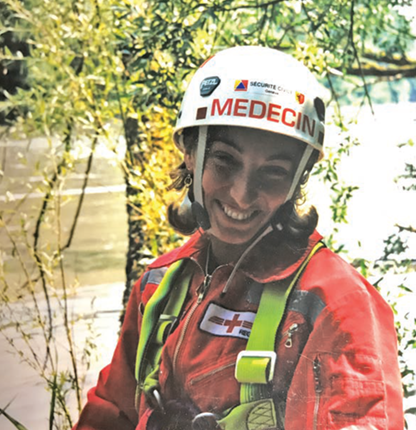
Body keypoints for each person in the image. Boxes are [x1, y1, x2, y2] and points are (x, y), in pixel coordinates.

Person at [73, 46, 403, 430]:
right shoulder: (159, 285)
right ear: (190, 153)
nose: (241, 196)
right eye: (225, 161)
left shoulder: (335, 305)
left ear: (299, 178)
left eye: (274, 172)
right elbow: (111, 414)